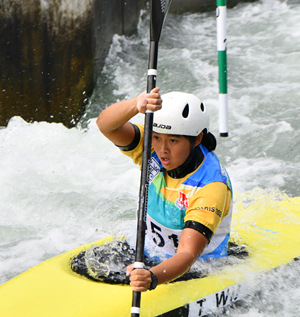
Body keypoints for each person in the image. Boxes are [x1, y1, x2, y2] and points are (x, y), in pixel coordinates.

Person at [96, 87, 233, 293]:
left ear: (196, 139)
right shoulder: (151, 147)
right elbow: (106, 125)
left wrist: (151, 277)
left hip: (198, 267)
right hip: (152, 249)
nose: (162, 150)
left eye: (173, 141)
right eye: (157, 137)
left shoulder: (211, 187)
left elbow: (187, 254)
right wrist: (136, 104)